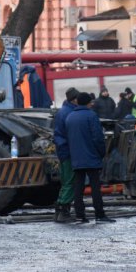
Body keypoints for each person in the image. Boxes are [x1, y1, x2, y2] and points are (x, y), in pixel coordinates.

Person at [66, 92, 116, 224]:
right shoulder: (91, 116)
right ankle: (99, 214)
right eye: (91, 102)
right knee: (95, 187)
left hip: (76, 157)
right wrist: (101, 152)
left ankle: (79, 215)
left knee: (78, 187)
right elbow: (98, 137)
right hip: (91, 156)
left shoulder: (70, 117)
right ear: (88, 102)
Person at [52, 87, 79, 223]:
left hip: (62, 150)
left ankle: (59, 209)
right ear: (74, 99)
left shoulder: (63, 111)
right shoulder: (70, 113)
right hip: (68, 151)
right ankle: (64, 211)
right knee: (70, 181)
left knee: (65, 181)